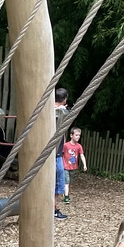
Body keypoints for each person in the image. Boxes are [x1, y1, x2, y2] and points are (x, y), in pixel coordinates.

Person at [61, 126, 87, 203]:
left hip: (73, 167)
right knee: (67, 182)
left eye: (79, 135)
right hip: (65, 167)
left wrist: (84, 164)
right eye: (76, 135)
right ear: (71, 135)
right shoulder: (66, 145)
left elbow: (82, 155)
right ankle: (66, 197)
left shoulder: (79, 146)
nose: (78, 137)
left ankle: (65, 193)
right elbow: (61, 154)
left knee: (69, 182)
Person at [54, 88, 69, 219]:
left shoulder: (47, 110)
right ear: (64, 99)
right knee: (59, 182)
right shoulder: (64, 112)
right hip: (57, 153)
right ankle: (55, 209)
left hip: (46, 152)